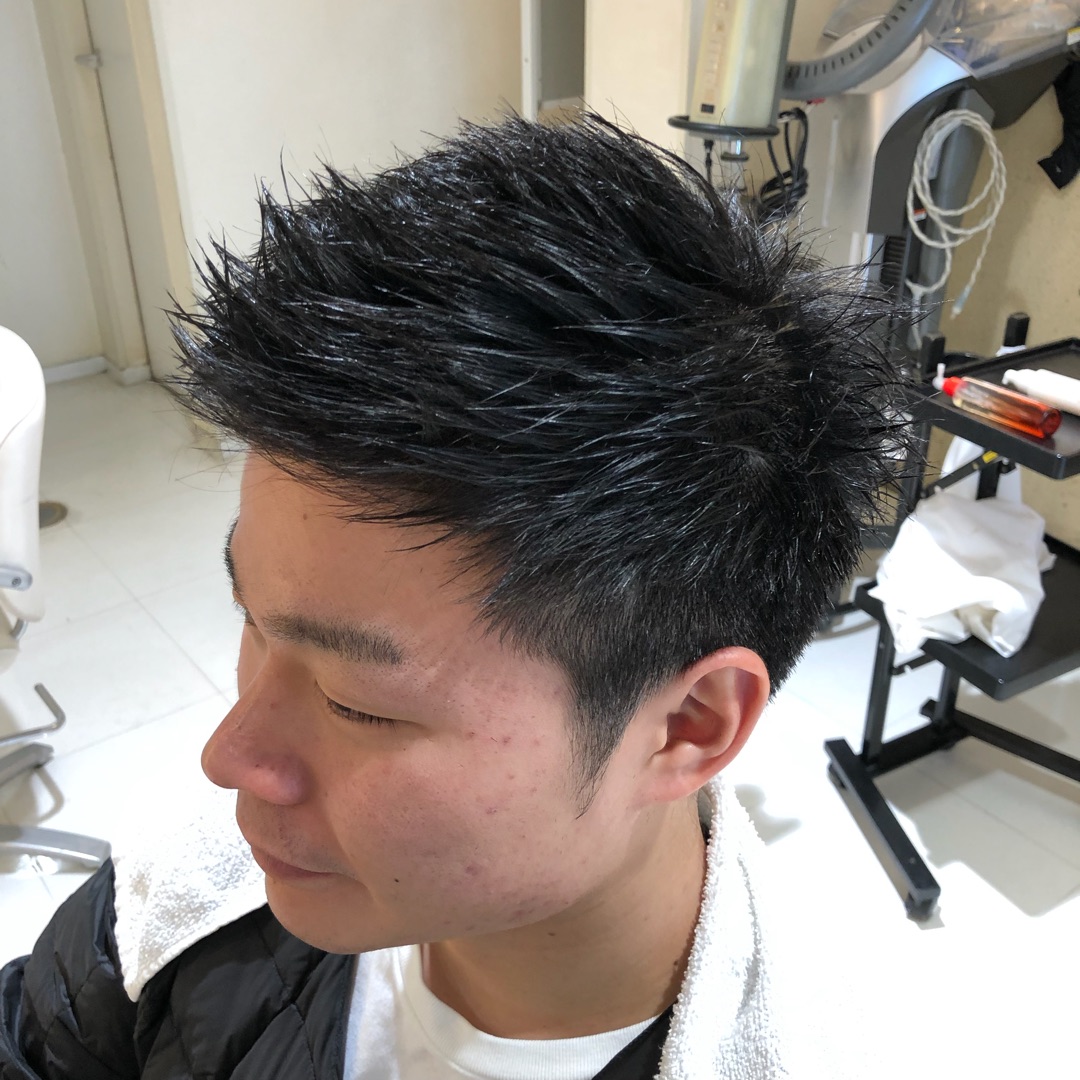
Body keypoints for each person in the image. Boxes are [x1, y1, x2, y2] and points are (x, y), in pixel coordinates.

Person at [0, 114, 905, 1079]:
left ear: (687, 726)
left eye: (357, 703)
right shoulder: (170, 916)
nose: (227, 760)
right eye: (253, 626)